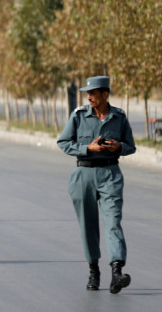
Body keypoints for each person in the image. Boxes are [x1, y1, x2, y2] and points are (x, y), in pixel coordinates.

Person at [57, 76, 136, 294]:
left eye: (93, 93)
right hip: (83, 174)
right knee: (88, 226)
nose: (89, 97)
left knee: (113, 222)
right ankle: (94, 270)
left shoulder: (119, 117)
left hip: (110, 173)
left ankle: (117, 271)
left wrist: (118, 147)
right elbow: (63, 142)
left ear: (105, 94)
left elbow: (131, 146)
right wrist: (88, 149)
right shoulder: (79, 115)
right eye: (87, 93)